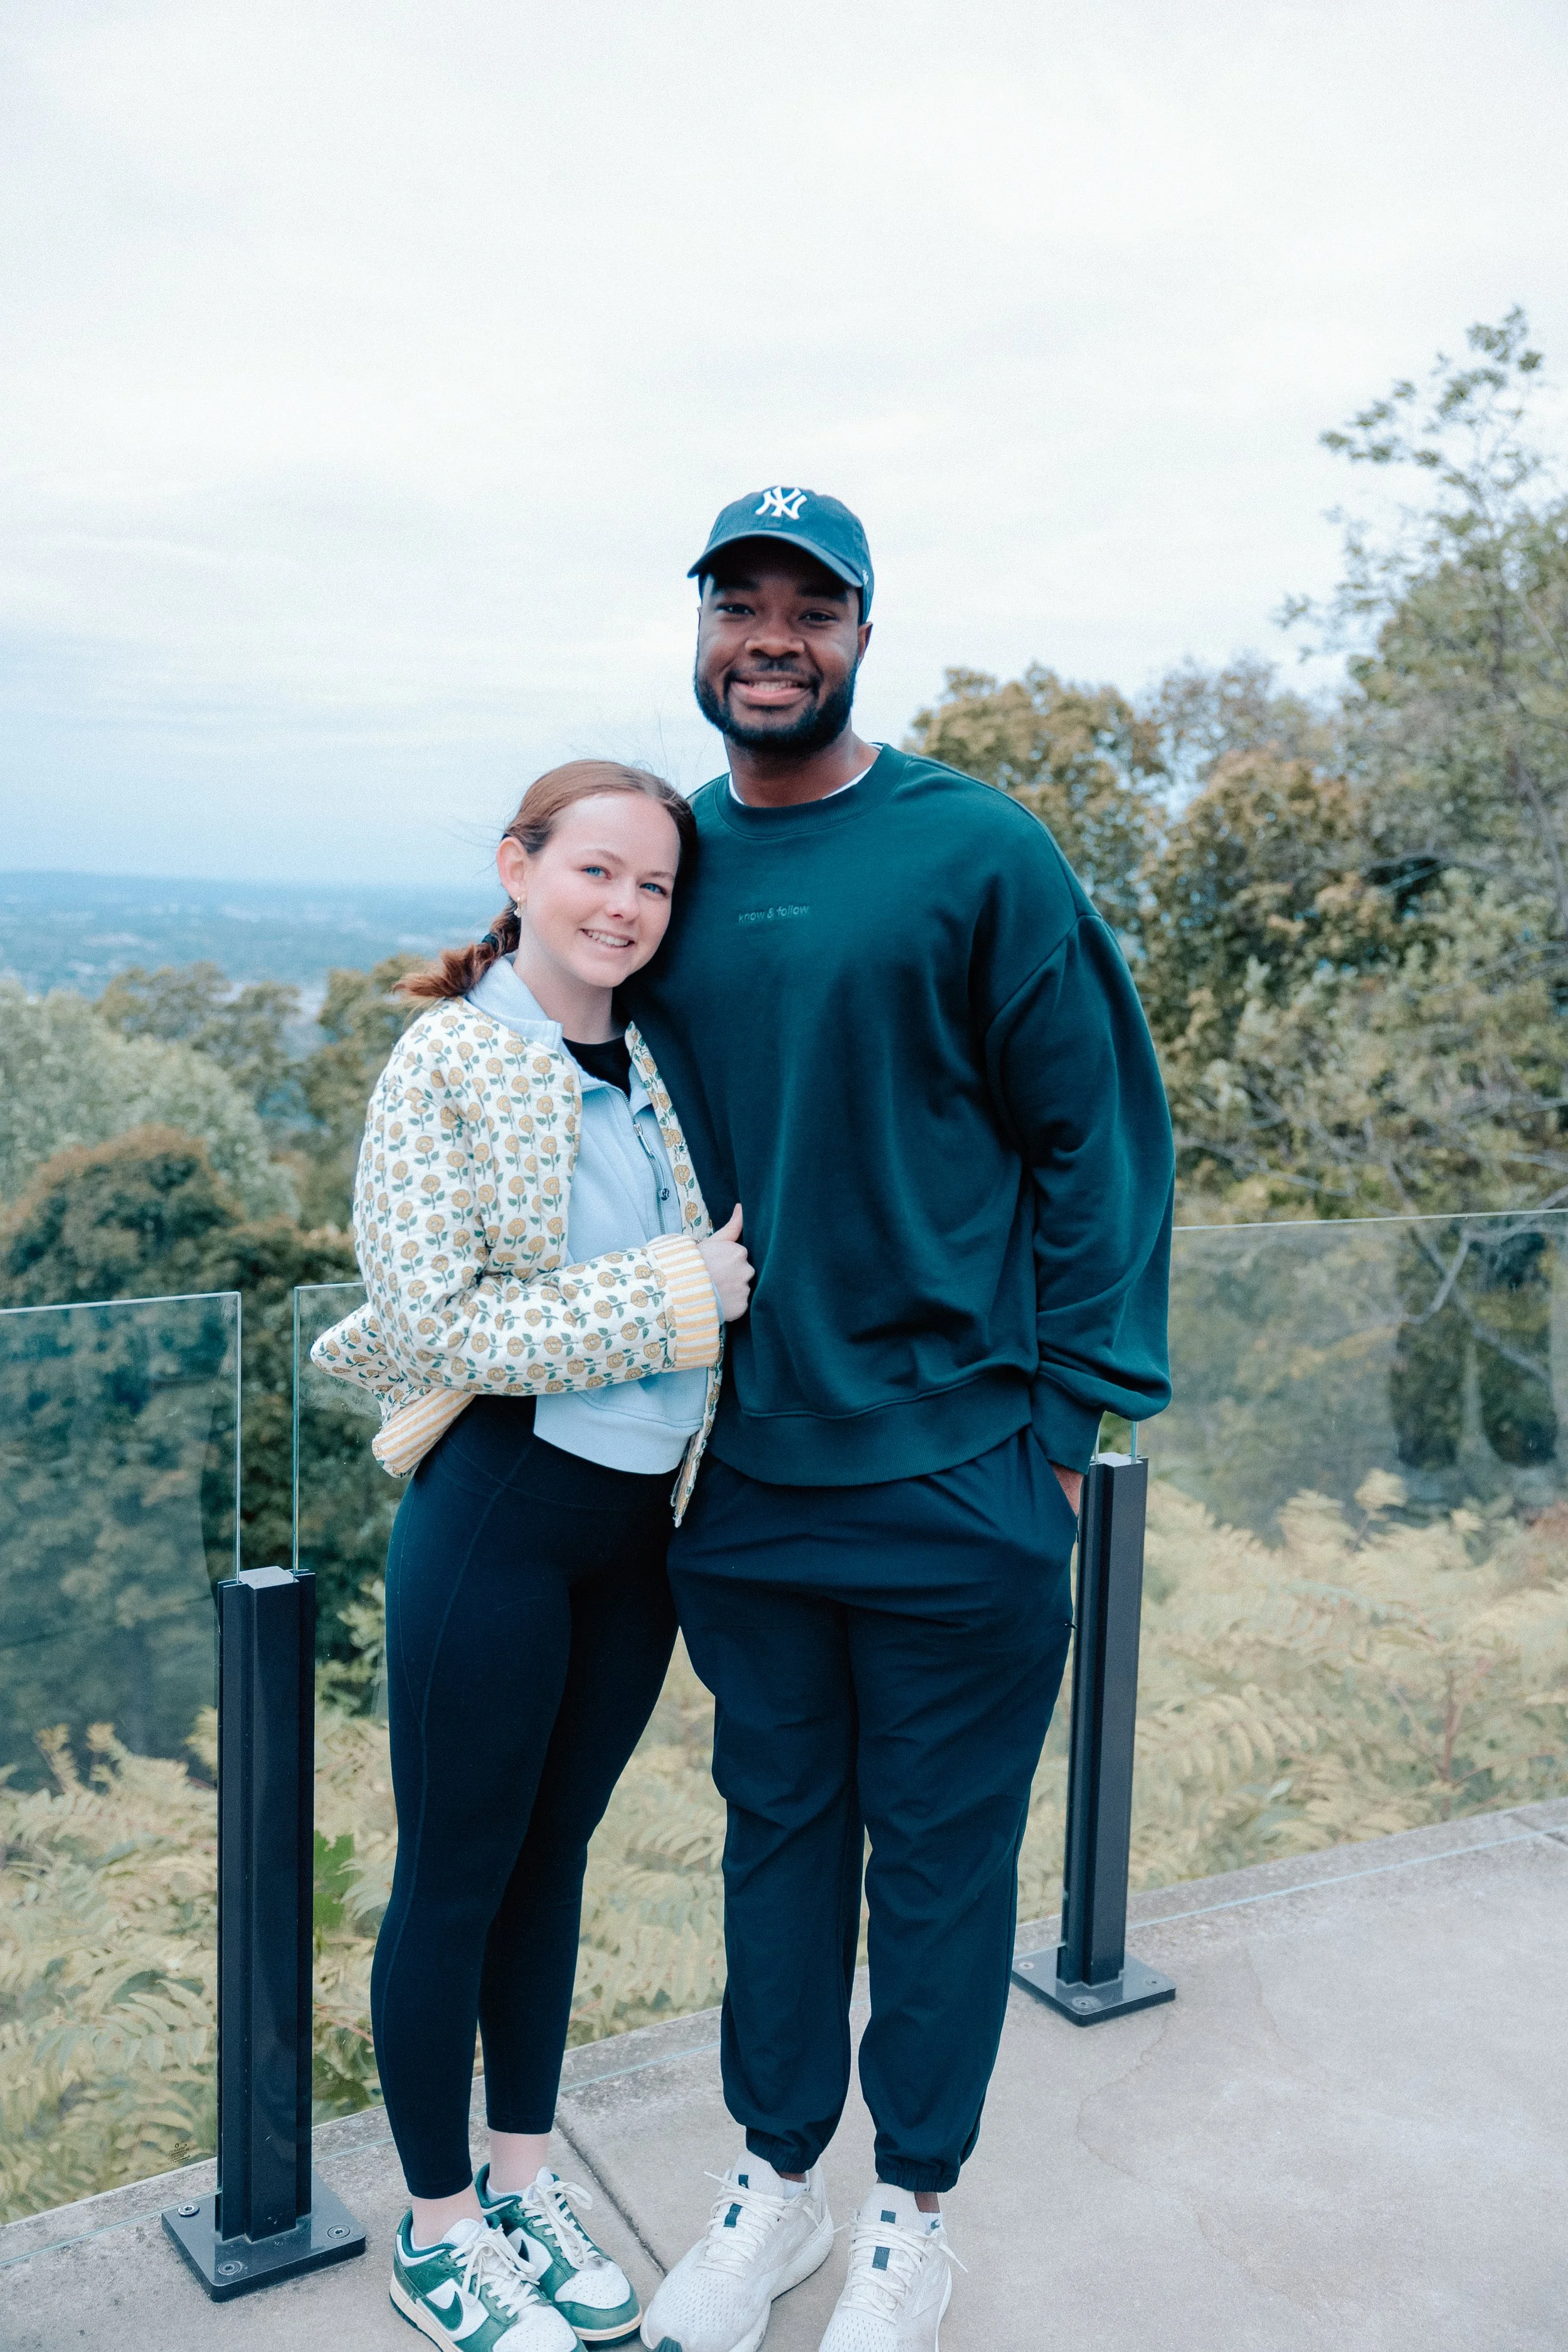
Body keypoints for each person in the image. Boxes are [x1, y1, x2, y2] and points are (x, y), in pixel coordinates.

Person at [627, 492, 1175, 2352]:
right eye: (738, 603)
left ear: (863, 633)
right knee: (774, 1842)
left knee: (943, 1864)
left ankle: (907, 2216)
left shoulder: (975, 848)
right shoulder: (662, 864)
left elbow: (1090, 1136)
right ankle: (774, 2184)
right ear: (699, 631)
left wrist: (1059, 1423)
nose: (769, 635)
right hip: (744, 1478)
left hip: (962, 1469)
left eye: (810, 607)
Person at [312, 760, 754, 2352]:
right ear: (518, 868)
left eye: (652, 885)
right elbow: (432, 1325)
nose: (624, 905)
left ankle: (517, 2179)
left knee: (549, 1865)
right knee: (454, 1880)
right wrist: (674, 1294)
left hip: (637, 1537)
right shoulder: (446, 1060)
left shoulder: (655, 1061)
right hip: (498, 1520)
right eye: (594, 871)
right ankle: (437, 2234)